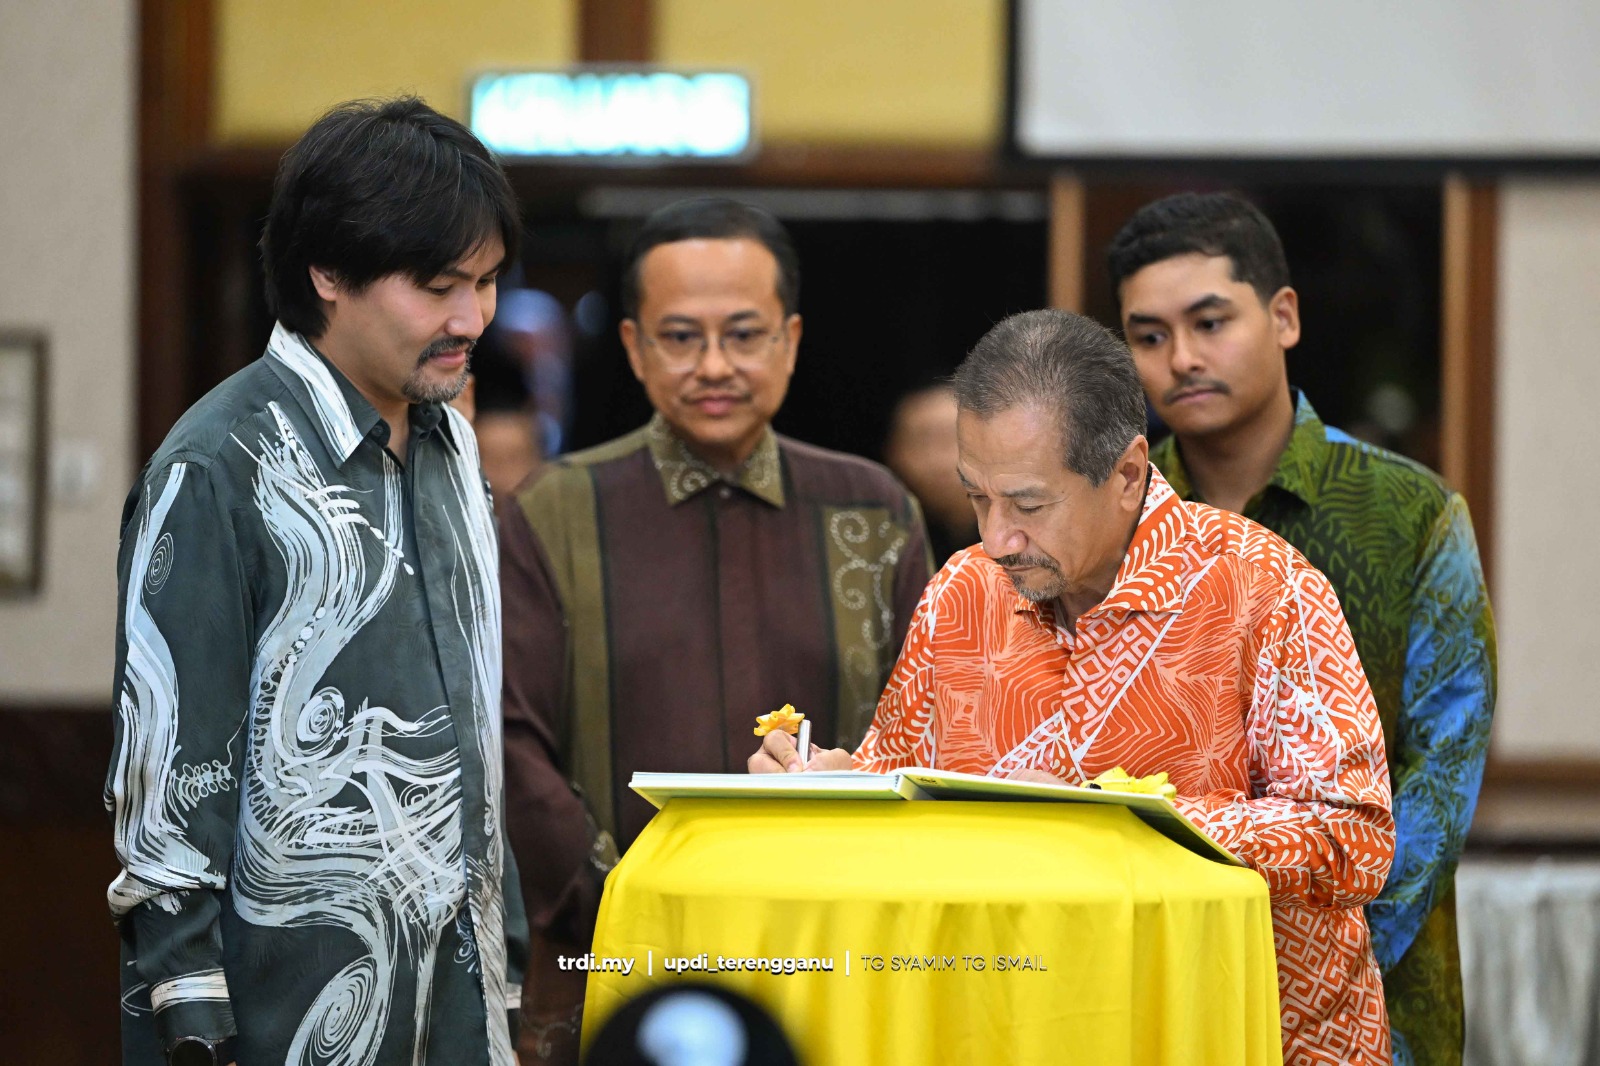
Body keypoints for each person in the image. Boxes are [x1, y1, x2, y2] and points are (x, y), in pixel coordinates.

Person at [753, 309, 1396, 1065]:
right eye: (977, 498)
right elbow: (904, 789)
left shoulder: (1262, 586)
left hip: (1228, 1028)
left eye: (1028, 504)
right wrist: (839, 785)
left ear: (1126, 473)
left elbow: (1352, 837)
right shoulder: (963, 592)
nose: (997, 539)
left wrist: (1122, 819)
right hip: (1010, 1027)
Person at [106, 97, 528, 1066]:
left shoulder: (453, 446)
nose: (472, 319)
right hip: (277, 1013)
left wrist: (501, 963)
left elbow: (473, 726)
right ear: (327, 271)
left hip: (455, 1003)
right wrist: (190, 1015)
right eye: (437, 287)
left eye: (488, 282)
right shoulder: (217, 465)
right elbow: (165, 768)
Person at [500, 197, 933, 1063]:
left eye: (743, 333)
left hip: (838, 947)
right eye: (680, 336)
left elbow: (934, 728)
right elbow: (511, 741)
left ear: (791, 338)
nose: (714, 366)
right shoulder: (555, 511)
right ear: (632, 345)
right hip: (612, 952)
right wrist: (629, 902)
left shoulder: (874, 510)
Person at [1108, 192, 1495, 1066]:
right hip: (1154, 976)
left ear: (1283, 316)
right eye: (1150, 335)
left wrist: (1320, 954)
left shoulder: (1409, 513)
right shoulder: (1112, 521)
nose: (1183, 359)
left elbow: (1442, 772)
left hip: (1377, 987)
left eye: (1210, 322)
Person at [883, 382, 979, 565]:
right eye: (921, 443)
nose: (939, 464)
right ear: (894, 453)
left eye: (952, 440)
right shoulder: (883, 543)